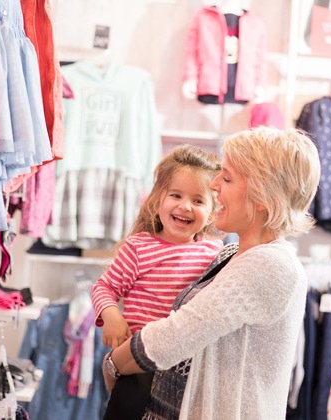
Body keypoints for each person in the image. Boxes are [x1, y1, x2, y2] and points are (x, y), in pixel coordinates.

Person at [101, 126, 322, 420]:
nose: (215, 184)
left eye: (227, 177)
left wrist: (114, 365)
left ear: (262, 196)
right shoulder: (231, 255)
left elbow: (175, 335)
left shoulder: (270, 265)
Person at [91, 144, 224, 419]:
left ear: (212, 212)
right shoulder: (139, 248)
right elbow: (104, 287)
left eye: (198, 201)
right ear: (157, 200)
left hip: (185, 370)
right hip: (138, 364)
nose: (185, 206)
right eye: (176, 195)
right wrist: (112, 314)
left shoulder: (214, 253)